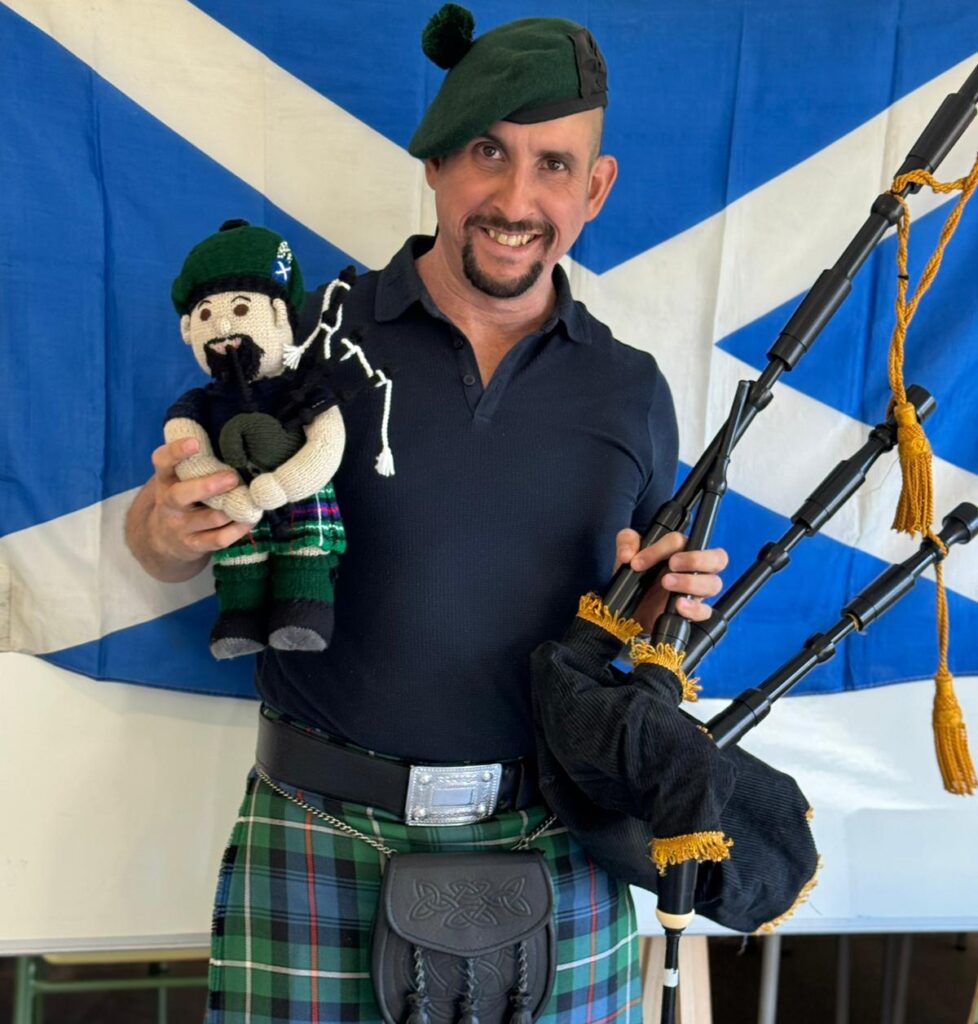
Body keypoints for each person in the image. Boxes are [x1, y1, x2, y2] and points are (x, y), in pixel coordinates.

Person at [126, 8, 728, 1023]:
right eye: (488, 152)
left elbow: (636, 629)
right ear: (438, 163)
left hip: (559, 843)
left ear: (595, 188)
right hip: (319, 833)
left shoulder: (632, 390)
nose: (516, 199)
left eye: (553, 164)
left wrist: (666, 607)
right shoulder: (311, 335)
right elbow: (163, 542)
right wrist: (165, 527)